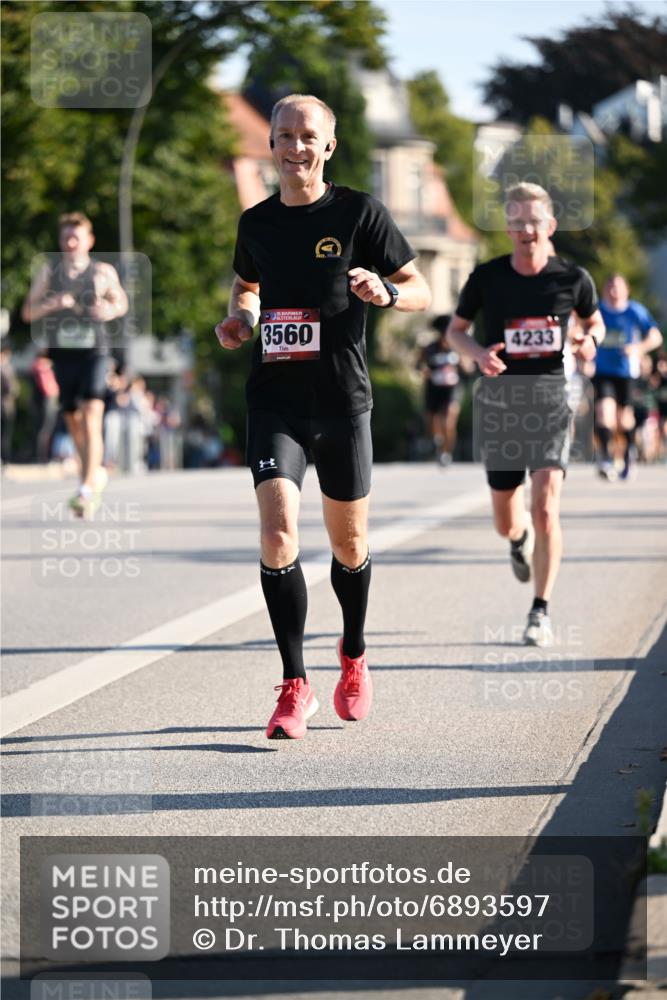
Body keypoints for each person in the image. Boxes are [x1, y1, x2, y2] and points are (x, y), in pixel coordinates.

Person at [215, 94, 430, 739]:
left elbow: (421, 289)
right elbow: (246, 286)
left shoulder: (361, 212)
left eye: (308, 136)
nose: (296, 146)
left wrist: (387, 292)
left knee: (349, 545)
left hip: (342, 401)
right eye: (285, 135)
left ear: (328, 146)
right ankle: (293, 683)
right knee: (279, 533)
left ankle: (355, 654)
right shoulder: (256, 223)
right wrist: (242, 319)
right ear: (273, 145)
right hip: (275, 399)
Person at [446, 183, 605, 647]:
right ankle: (517, 541)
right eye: (516, 222)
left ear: (549, 225)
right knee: (506, 519)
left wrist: (589, 340)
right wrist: (477, 353)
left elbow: (594, 320)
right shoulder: (487, 277)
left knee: (545, 507)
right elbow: (456, 332)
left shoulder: (572, 279)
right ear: (508, 227)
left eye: (533, 221)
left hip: (552, 401)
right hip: (501, 407)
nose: (525, 230)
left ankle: (540, 610)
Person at [22, 212, 128, 515]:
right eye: (66, 237)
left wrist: (108, 308)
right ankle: (93, 474)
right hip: (62, 352)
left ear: (89, 241)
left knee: (92, 415)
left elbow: (121, 303)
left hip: (94, 351)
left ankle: (84, 490)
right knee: (73, 422)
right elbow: (28, 312)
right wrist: (52, 304)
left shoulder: (102, 271)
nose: (70, 242)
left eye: (76, 237)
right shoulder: (49, 272)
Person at [594, 274, 663, 481]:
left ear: (626, 290)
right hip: (602, 371)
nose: (614, 292)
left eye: (618, 288)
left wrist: (638, 348)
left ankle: (628, 453)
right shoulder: (598, 310)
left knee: (624, 419)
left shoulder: (635, 311)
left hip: (626, 372)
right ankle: (606, 458)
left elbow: (656, 336)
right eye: (610, 287)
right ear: (604, 290)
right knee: (604, 413)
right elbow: (582, 328)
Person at [418, 314, 465, 466]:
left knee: (449, 420)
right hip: (433, 388)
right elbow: (418, 365)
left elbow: (469, 368)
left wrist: (460, 358)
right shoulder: (429, 348)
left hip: (452, 389)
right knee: (432, 421)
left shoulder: (458, 348)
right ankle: (437, 442)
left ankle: (447, 452)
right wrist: (424, 371)